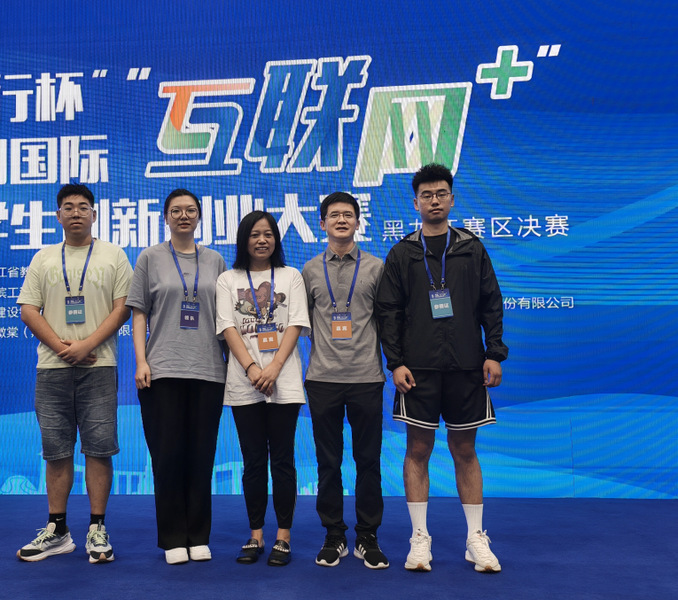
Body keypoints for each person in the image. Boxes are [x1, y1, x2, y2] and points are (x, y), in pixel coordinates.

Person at [376, 163, 508, 573]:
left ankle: (475, 539)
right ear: (415, 202)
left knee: (465, 450)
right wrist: (395, 362)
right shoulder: (402, 253)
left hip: (467, 367)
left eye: (441, 194)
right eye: (426, 195)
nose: (434, 201)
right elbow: (388, 312)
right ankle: (420, 539)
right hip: (418, 371)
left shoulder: (471, 247)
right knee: (418, 450)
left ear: (452, 199)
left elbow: (491, 303)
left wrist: (494, 352)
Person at [15, 183, 133, 564]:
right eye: (69, 207)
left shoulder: (114, 255)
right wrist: (62, 347)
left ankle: (97, 528)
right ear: (58, 216)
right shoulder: (44, 258)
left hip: (99, 365)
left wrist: (86, 345)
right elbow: (28, 309)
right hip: (52, 368)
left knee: (99, 448)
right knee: (56, 450)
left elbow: (123, 308)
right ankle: (58, 529)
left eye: (83, 207)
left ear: (94, 214)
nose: (76, 213)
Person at [127, 189, 228, 565]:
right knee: (167, 456)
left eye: (190, 210)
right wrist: (141, 360)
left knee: (201, 456)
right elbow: (139, 313)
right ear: (165, 217)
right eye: (176, 211)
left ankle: (198, 535)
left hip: (208, 370)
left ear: (199, 216)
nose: (183, 216)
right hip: (162, 370)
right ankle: (172, 537)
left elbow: (225, 318)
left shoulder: (215, 260)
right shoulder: (150, 257)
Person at [215, 211, 309, 567]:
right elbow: (228, 327)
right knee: (253, 461)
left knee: (283, 460)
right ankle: (256, 535)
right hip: (244, 383)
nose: (262, 240)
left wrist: (273, 368)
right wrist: (253, 368)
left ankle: (283, 537)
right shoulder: (228, 279)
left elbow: (296, 323)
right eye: (255, 234)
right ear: (244, 239)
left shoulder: (291, 276)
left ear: (276, 239)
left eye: (268, 234)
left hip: (284, 381)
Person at [302, 192, 389, 569]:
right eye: (334, 215)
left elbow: (387, 321)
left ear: (357, 222)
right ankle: (334, 535)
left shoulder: (376, 267)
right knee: (328, 462)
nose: (341, 220)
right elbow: (300, 324)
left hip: (367, 377)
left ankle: (367, 536)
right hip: (322, 379)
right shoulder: (308, 271)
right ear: (322, 223)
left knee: (368, 461)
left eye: (348, 215)